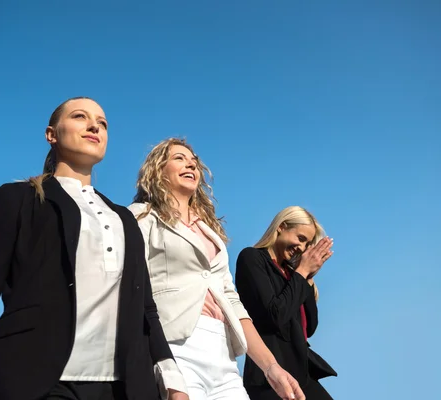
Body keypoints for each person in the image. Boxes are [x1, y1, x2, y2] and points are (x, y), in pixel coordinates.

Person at [0, 97, 188, 400]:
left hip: (122, 388)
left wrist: (171, 378)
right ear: (51, 134)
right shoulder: (18, 200)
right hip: (33, 381)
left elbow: (146, 308)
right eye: (80, 116)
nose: (95, 125)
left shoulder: (124, 219)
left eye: (103, 123)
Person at [128, 138, 304, 400]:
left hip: (221, 352)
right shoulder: (141, 217)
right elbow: (132, 289)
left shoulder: (210, 233)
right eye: (179, 158)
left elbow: (232, 301)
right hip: (174, 345)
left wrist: (271, 367)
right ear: (157, 169)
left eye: (194, 161)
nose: (190, 164)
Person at [235, 207, 337, 400]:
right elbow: (275, 316)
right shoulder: (252, 258)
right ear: (281, 227)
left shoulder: (292, 274)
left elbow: (309, 328)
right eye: (300, 238)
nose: (301, 247)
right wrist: (301, 273)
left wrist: (307, 277)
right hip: (270, 377)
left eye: (306, 244)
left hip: (302, 374)